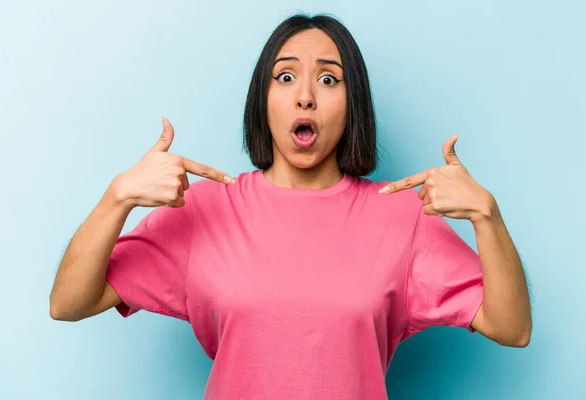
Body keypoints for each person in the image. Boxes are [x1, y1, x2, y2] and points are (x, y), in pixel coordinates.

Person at [49, 13, 532, 400]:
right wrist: (118, 197)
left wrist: (488, 216)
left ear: (353, 102)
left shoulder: (402, 217)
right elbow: (69, 304)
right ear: (263, 99)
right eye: (285, 77)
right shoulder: (204, 209)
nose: (305, 96)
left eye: (328, 79)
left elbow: (512, 329)